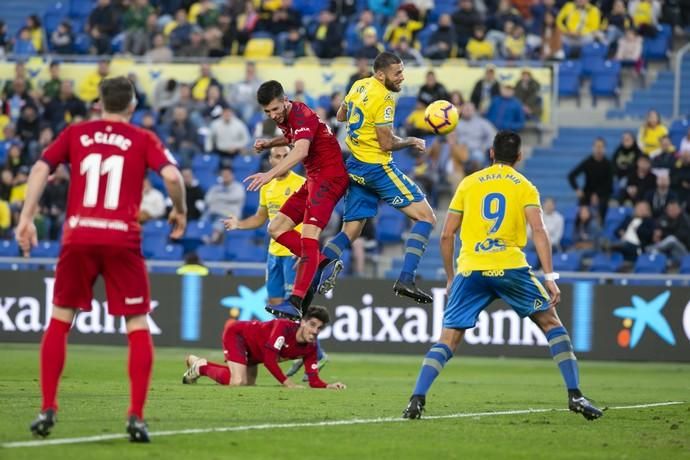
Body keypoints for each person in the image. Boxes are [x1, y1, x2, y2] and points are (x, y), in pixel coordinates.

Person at [15, 76, 187, 442]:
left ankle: (47, 406)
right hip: (121, 238)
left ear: (98, 104)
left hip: (78, 234)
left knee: (60, 320)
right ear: (132, 105)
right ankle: (136, 416)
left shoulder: (76, 133)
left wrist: (26, 218)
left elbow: (41, 168)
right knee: (137, 325)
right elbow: (172, 175)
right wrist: (180, 210)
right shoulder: (143, 138)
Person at [402, 131, 603, 421]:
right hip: (510, 266)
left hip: (471, 269)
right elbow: (539, 231)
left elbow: (446, 235)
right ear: (519, 156)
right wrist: (549, 275)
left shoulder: (468, 183)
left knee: (448, 339)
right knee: (551, 324)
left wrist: (450, 277)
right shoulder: (525, 186)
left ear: (491, 153)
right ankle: (575, 395)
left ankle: (416, 399)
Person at [318, 52, 437, 304]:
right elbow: (385, 144)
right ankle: (406, 278)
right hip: (376, 168)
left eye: (402, 72)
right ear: (381, 74)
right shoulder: (384, 98)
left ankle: (317, 270)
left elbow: (341, 116)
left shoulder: (359, 84)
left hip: (354, 165)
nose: (402, 77)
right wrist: (410, 141)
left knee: (350, 231)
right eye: (398, 73)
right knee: (427, 217)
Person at [244, 80, 349, 320]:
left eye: (275, 109)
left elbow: (300, 150)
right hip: (313, 179)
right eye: (267, 112)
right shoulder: (289, 118)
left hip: (329, 178)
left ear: (285, 99)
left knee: (309, 236)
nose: (273, 115)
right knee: (276, 227)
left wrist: (269, 174)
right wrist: (271, 143)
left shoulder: (301, 114)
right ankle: (321, 263)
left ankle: (296, 301)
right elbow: (293, 138)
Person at [181, 306, 346, 390]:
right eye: (312, 325)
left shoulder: (311, 346)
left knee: (247, 385)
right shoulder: (284, 327)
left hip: (255, 352)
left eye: (319, 328)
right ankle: (201, 368)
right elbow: (269, 360)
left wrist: (327, 386)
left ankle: (199, 363)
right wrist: (288, 383)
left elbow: (313, 380)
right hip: (238, 335)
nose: (315, 331)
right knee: (237, 382)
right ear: (302, 321)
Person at [224, 146, 305, 306]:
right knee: (274, 302)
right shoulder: (267, 186)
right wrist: (238, 224)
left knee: (293, 305)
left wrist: (305, 249)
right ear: (270, 160)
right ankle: (280, 332)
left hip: (293, 254)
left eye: (286, 156)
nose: (282, 160)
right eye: (277, 156)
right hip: (273, 253)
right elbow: (260, 218)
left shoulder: (302, 184)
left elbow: (314, 218)